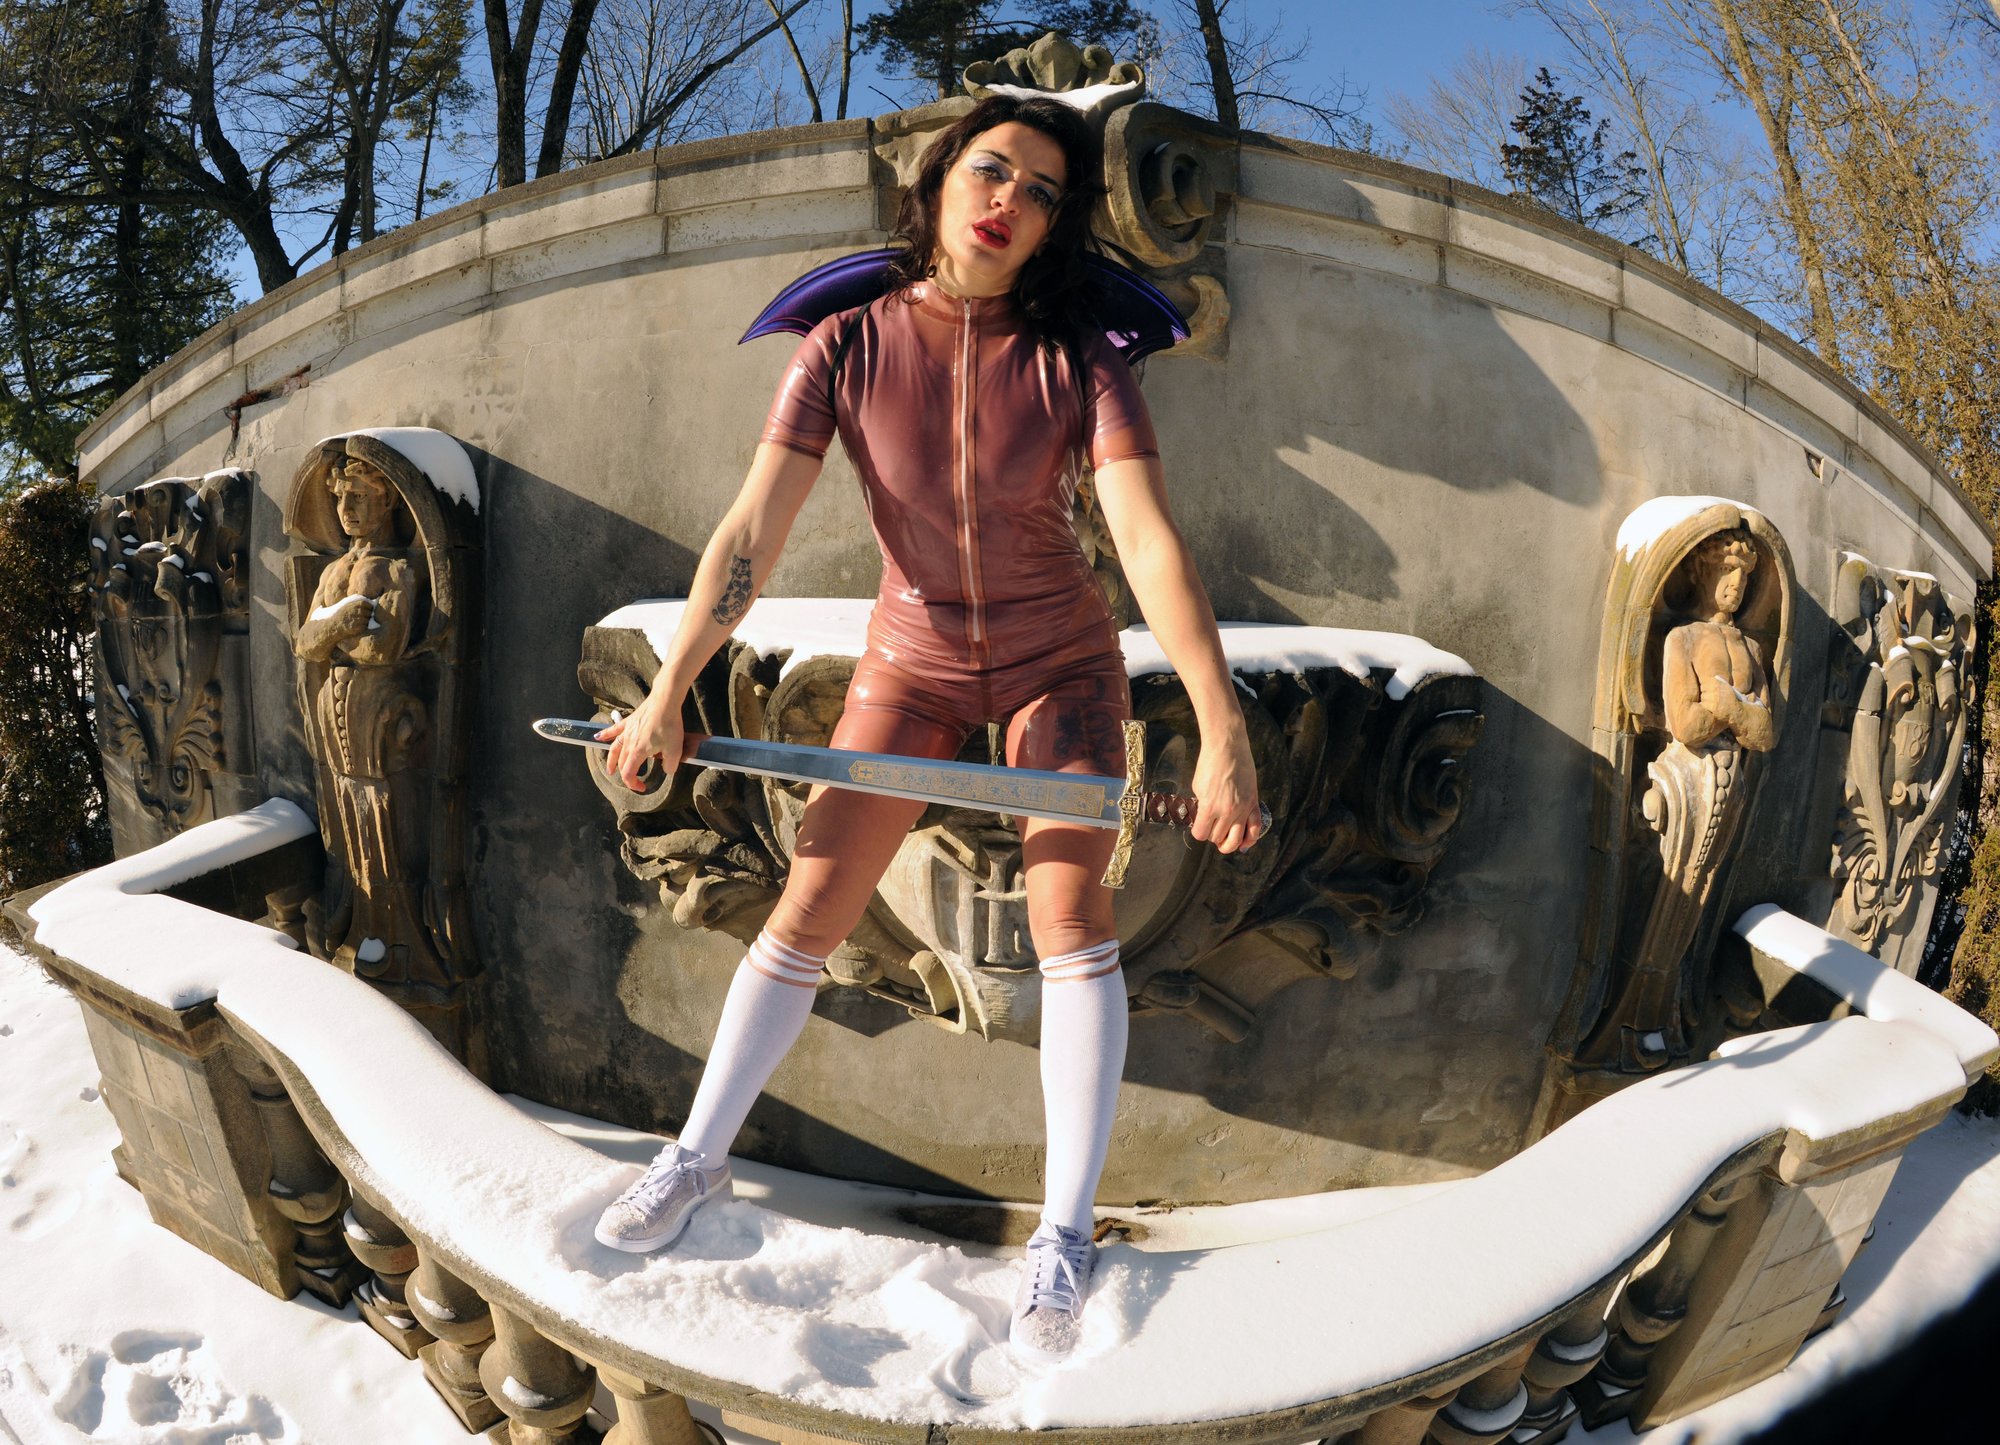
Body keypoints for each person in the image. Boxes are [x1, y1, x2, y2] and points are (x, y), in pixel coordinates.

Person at [592, 93, 1263, 1360]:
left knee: (1071, 923)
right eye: (991, 170)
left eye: (1041, 192)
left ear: (1052, 226)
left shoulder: (1080, 360)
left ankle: (1060, 1232)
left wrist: (1221, 728)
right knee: (809, 903)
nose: (1010, 201)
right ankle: (695, 1154)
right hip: (911, 659)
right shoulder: (841, 344)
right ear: (939, 178)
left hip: (1060, 661)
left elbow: (1146, 542)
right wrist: (671, 687)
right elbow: (750, 532)